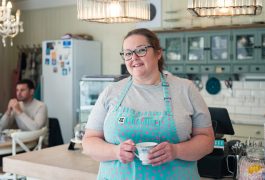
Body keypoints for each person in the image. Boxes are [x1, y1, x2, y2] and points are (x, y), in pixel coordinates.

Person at [82, 28, 215, 179]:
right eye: (128, 53)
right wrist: (115, 151)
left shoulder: (186, 89)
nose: (134, 57)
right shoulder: (111, 92)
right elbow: (89, 141)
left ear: (158, 53)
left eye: (141, 50)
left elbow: (207, 140)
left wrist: (177, 151)